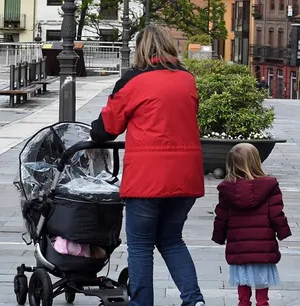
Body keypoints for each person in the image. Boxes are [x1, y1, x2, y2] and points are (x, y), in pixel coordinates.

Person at [90, 25, 206, 306]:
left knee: (141, 247)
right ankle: (195, 300)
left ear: (140, 49)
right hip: (186, 177)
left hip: (147, 179)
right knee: (171, 239)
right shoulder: (187, 79)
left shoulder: (133, 81)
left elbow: (107, 129)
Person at [211, 143, 292, 306]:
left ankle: (244, 303)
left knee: (243, 283)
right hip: (263, 246)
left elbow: (221, 216)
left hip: (239, 246)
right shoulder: (270, 186)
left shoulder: (227, 190)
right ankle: (262, 303)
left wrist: (219, 236)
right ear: (257, 161)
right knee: (262, 286)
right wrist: (283, 231)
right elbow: (276, 213)